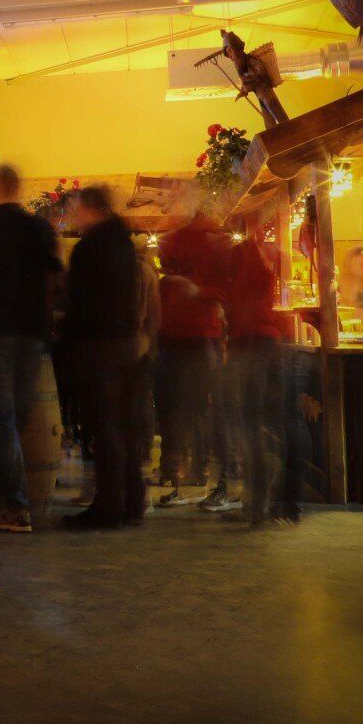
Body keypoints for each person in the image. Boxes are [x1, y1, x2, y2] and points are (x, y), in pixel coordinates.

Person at [0, 164, 61, 534]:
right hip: (32, 332)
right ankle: (13, 495)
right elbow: (55, 274)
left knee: (1, 418)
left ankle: (15, 504)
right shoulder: (38, 228)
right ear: (18, 188)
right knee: (19, 414)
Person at [59, 187, 149, 531]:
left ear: (90, 209)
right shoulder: (123, 245)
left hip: (99, 348)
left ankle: (108, 507)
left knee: (105, 429)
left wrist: (69, 341)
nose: (75, 215)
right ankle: (132, 502)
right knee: (124, 428)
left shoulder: (90, 248)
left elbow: (80, 303)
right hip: (126, 346)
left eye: (78, 209)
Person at [155, 196, 232, 507]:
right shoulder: (179, 239)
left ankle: (194, 475)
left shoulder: (209, 241)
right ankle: (185, 475)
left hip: (197, 338)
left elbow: (226, 292)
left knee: (191, 409)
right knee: (183, 409)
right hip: (185, 337)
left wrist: (198, 291)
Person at [222, 223, 295, 524]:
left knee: (249, 424)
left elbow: (234, 300)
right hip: (265, 345)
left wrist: (200, 290)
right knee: (265, 424)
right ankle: (273, 500)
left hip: (250, 345)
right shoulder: (260, 266)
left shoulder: (243, 265)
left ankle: (259, 502)